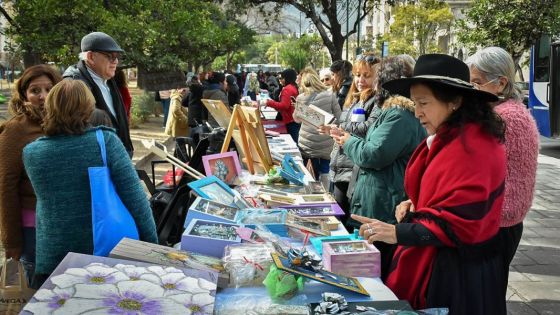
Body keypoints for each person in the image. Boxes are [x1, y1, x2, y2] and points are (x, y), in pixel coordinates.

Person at [353, 54, 507, 313]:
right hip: (443, 259)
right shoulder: (451, 136)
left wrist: (396, 232)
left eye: (424, 102)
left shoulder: (474, 147)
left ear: (455, 102)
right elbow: (445, 193)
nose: (417, 112)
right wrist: (414, 203)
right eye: (415, 103)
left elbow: (463, 220)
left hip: (456, 274)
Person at [23, 80, 158, 288]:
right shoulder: (105, 141)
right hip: (104, 253)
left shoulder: (32, 153)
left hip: (55, 255)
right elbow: (135, 197)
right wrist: (152, 245)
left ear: (49, 107)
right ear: (88, 107)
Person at [331, 57, 426, 274]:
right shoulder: (392, 112)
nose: (370, 84)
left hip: (383, 202)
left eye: (374, 78)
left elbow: (373, 154)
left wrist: (348, 140)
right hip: (378, 198)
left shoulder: (398, 115)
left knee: (377, 267)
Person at [466, 47, 539, 296]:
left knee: (486, 294)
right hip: (505, 219)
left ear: (501, 83)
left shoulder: (503, 118)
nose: (472, 89)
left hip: (498, 221)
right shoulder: (510, 112)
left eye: (477, 82)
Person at [0, 65, 62, 286]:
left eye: (49, 89)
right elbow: (5, 187)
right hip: (32, 228)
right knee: (37, 288)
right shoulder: (16, 130)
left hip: (64, 222)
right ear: (25, 94)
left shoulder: (66, 124)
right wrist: (12, 241)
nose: (43, 96)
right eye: (35, 91)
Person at [320, 54, 380, 224]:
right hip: (341, 164)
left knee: (343, 220)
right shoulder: (355, 98)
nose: (360, 80)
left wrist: (340, 128)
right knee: (337, 215)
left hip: (353, 168)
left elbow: (368, 128)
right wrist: (332, 129)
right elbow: (346, 125)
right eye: (357, 75)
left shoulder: (376, 100)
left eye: (366, 76)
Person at [63, 31, 133, 156]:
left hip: (115, 155)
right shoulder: (74, 85)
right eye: (110, 56)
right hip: (97, 160)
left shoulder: (107, 78)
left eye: (117, 56)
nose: (115, 61)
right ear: (90, 57)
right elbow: (76, 130)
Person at [293, 68, 341, 187]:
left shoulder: (300, 98)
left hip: (307, 144)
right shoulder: (330, 95)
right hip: (326, 142)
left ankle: (312, 195)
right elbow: (340, 118)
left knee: (309, 173)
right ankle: (327, 194)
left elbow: (296, 119)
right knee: (325, 171)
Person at [264, 68, 300, 142]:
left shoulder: (287, 89)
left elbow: (284, 105)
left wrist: (268, 103)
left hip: (291, 120)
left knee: (294, 141)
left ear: (287, 78)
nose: (280, 80)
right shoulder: (293, 87)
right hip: (293, 119)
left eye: (282, 78)